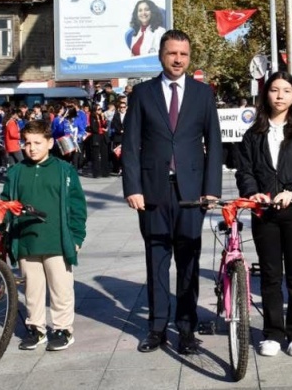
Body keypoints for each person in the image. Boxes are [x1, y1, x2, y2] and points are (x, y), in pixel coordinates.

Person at [122, 30, 223, 355]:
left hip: (192, 193)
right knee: (157, 261)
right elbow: (131, 146)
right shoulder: (142, 93)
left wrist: (212, 189)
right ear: (161, 55)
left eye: (183, 54)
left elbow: (215, 144)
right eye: (172, 53)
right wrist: (132, 187)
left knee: (189, 262)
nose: (178, 59)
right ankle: (156, 328)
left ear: (189, 57)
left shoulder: (203, 93)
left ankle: (187, 329)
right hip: (152, 192)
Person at [235, 72, 292, 357]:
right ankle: (272, 332)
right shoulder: (253, 134)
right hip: (264, 212)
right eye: (274, 90)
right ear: (266, 94)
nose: (280, 96)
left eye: (286, 90)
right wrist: (253, 193)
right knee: (271, 274)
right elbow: (245, 171)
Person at [0, 120, 87, 352]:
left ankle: (62, 328)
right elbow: (7, 203)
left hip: (57, 240)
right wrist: (1, 220)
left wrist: (77, 238)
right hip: (27, 241)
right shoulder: (16, 171)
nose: (32, 148)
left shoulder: (64, 170)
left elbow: (78, 207)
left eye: (38, 143)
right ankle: (36, 328)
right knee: (32, 289)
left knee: (61, 288)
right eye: (27, 143)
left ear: (49, 143)